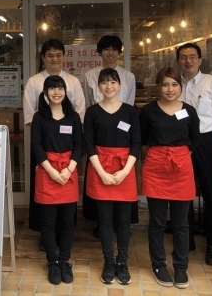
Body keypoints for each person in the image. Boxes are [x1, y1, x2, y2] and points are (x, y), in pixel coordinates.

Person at [140, 67, 199, 289]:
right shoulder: (148, 111)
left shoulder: (189, 111)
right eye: (165, 84)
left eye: (174, 84)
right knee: (156, 222)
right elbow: (142, 140)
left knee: (181, 223)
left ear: (180, 87)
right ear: (158, 87)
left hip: (181, 169)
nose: (170, 89)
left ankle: (181, 267)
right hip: (156, 168)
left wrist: (180, 156)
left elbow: (195, 140)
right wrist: (157, 157)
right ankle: (158, 265)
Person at [177, 43, 212, 266]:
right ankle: (187, 238)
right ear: (178, 61)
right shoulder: (175, 82)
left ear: (200, 60)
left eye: (192, 57)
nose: (188, 61)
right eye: (184, 57)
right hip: (181, 142)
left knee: (211, 192)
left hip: (206, 140)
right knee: (183, 192)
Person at [24, 39, 86, 247]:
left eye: (58, 55)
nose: (54, 59)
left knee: (66, 192)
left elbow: (79, 112)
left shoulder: (73, 81)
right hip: (43, 144)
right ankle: (45, 233)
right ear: (43, 57)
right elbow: (31, 114)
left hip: (67, 147)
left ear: (64, 57)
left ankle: (64, 232)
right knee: (44, 192)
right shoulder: (34, 82)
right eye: (50, 55)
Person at [84, 68, 140, 285]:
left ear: (120, 85)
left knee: (124, 221)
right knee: (105, 220)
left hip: (125, 167)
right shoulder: (92, 112)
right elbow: (89, 144)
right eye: (104, 82)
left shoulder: (130, 111)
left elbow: (136, 142)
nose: (109, 86)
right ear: (98, 86)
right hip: (100, 168)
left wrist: (125, 171)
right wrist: (102, 173)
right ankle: (109, 262)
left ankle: (122, 262)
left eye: (113, 82)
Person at [82, 35, 138, 234]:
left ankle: (120, 223)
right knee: (99, 182)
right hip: (99, 130)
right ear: (100, 52)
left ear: (119, 52)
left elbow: (129, 104)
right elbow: (88, 103)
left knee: (122, 184)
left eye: (114, 49)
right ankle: (100, 222)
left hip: (122, 134)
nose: (110, 53)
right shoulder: (90, 75)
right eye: (106, 49)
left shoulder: (128, 77)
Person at [31, 75, 83, 285]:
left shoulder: (73, 116)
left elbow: (79, 145)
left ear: (65, 92)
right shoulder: (39, 117)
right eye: (52, 89)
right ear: (45, 93)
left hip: (68, 172)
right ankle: (52, 261)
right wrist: (51, 171)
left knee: (68, 222)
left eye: (60, 88)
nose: (56, 92)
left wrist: (69, 169)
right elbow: (36, 145)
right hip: (47, 172)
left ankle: (64, 261)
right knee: (48, 222)